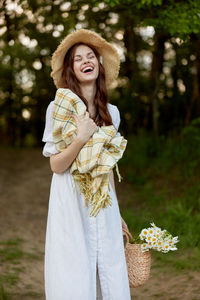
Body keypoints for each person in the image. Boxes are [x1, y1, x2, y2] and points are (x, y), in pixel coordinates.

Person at [42, 29, 131, 300]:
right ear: (71, 69)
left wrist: (117, 212)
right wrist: (80, 138)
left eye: (90, 56)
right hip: (69, 198)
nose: (85, 61)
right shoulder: (57, 109)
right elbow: (56, 166)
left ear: (98, 64)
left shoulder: (111, 112)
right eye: (77, 59)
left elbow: (107, 167)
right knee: (73, 271)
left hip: (101, 200)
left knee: (109, 269)